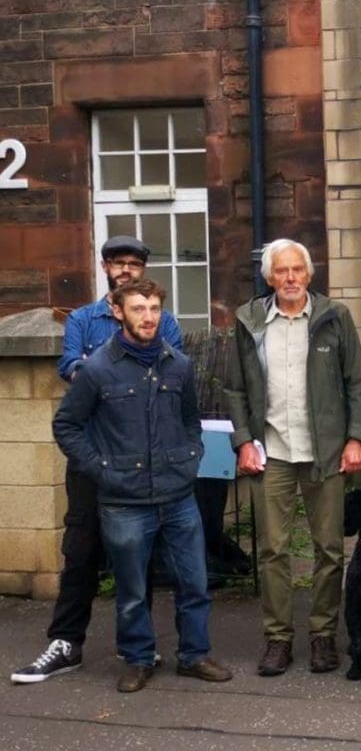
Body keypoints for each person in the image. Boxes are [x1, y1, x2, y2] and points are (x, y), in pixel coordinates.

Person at [13, 235, 182, 684]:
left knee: (139, 553)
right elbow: (70, 367)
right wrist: (102, 369)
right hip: (93, 454)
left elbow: (172, 366)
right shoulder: (83, 319)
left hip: (143, 456)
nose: (126, 270)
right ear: (105, 267)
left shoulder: (161, 320)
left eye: (134, 263)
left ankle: (140, 650)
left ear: (143, 270)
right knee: (81, 548)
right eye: (118, 262)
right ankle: (66, 642)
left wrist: (96, 368)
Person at [51, 279, 232, 693]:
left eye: (154, 308)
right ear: (118, 312)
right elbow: (66, 425)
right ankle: (136, 658)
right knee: (132, 591)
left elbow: (190, 421)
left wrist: (190, 458)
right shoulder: (97, 369)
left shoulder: (178, 365)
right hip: (124, 501)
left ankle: (194, 655)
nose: (148, 317)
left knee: (195, 583)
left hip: (178, 495)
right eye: (138, 308)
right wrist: (101, 469)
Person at [224, 238, 361, 678]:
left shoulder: (334, 317)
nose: (290, 278)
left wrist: (356, 438)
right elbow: (233, 388)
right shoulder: (248, 321)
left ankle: (323, 634)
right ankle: (278, 639)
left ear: (310, 275)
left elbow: (359, 384)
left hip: (324, 452)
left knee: (329, 549)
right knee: (273, 549)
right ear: (269, 277)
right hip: (272, 452)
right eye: (282, 271)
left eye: (298, 270)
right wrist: (243, 441)